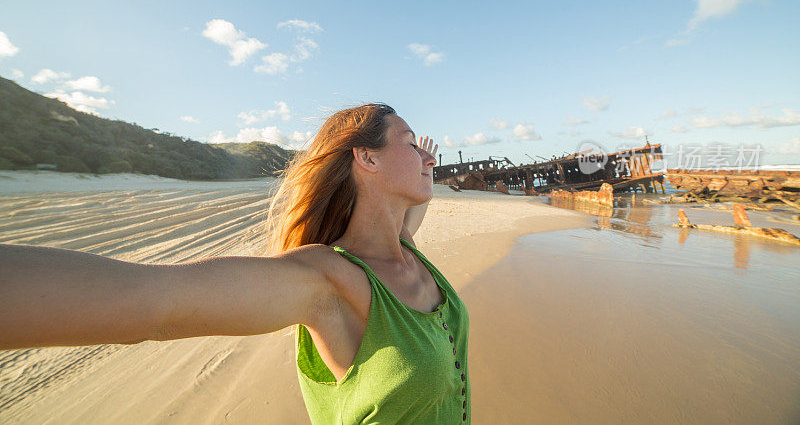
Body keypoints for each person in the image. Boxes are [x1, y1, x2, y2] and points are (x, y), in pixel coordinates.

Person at [0, 102, 471, 424]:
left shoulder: (404, 248)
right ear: (367, 156)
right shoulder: (325, 281)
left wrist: (416, 164)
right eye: (411, 144)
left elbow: (401, 211)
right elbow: (153, 302)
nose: (427, 158)